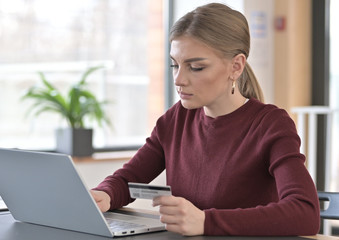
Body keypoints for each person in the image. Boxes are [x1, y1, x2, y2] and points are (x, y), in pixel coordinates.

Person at [91, 3, 320, 236]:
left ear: (236, 66)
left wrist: (205, 221)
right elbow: (128, 179)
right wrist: (104, 195)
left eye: (196, 67)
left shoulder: (270, 124)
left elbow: (305, 212)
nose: (179, 79)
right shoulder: (175, 119)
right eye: (175, 65)